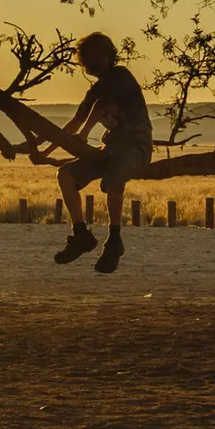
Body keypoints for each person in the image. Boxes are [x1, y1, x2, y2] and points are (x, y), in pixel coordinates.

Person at [52, 32, 154, 273]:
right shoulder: (95, 90)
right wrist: (44, 149)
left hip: (135, 146)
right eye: (87, 58)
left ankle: (114, 239)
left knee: (113, 179)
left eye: (96, 56)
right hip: (110, 148)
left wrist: (85, 134)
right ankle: (80, 234)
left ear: (108, 56)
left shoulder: (120, 76)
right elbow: (75, 122)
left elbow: (100, 108)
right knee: (65, 175)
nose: (92, 62)